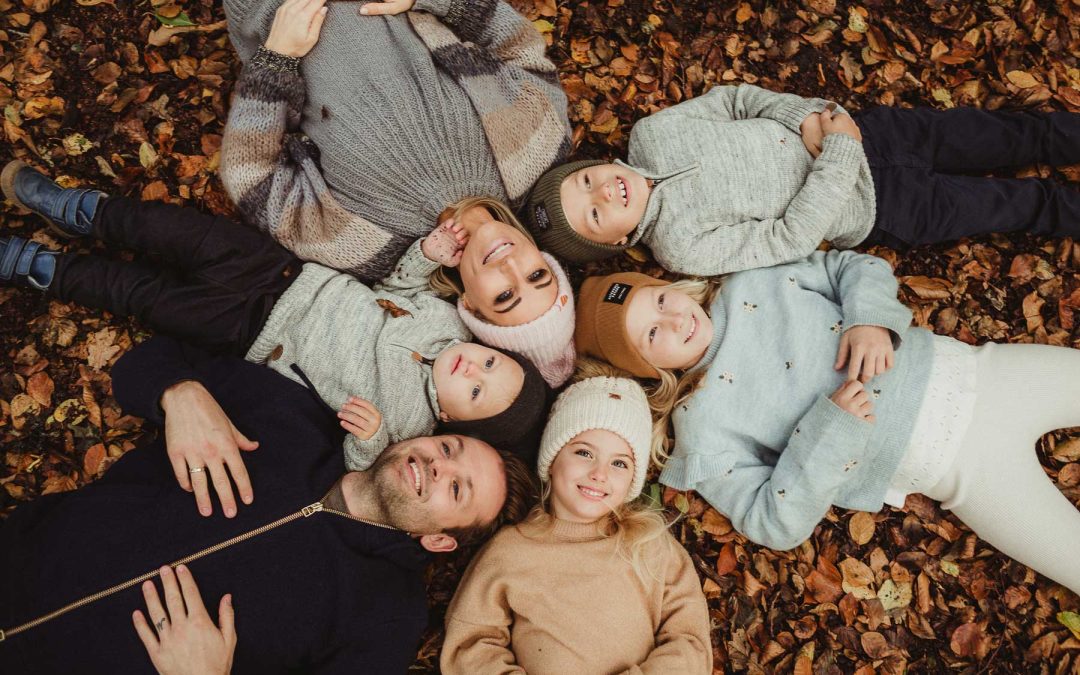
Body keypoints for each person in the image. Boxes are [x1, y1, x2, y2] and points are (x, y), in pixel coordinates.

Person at [0, 165, 552, 498]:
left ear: (454, 417)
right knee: (173, 231)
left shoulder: (405, 425)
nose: (471, 369)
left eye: (476, 390)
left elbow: (367, 469)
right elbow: (402, 286)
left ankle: (44, 268)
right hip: (279, 273)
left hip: (251, 333)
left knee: (143, 297)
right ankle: (83, 211)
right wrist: (425, 256)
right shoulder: (444, 320)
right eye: (488, 363)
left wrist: (365, 442)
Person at [0, 336, 537, 673]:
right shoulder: (291, 420)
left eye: (458, 489)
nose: (441, 464)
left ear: (440, 540)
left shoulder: (385, 619)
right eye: (450, 447)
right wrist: (180, 393)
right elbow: (146, 362)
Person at [574, 253, 1080, 596]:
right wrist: (828, 432)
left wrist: (867, 319)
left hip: (984, 373)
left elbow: (852, 265)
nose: (676, 319)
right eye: (652, 334)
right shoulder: (700, 428)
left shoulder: (751, 283)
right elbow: (772, 523)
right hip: (962, 470)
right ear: (646, 372)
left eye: (661, 301)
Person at [521, 83, 1080, 274]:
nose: (601, 192)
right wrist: (837, 157)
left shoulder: (650, 135)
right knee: (1017, 203)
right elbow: (786, 238)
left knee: (1010, 134)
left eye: (586, 181)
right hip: (884, 206)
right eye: (594, 213)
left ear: (598, 164)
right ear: (616, 240)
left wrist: (808, 120)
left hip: (878, 133)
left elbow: (737, 101)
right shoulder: (680, 246)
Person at [219, 0, 571, 284]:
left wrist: (276, 58)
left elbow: (251, 179)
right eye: (537, 275)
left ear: (471, 308)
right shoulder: (532, 158)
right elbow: (521, 51)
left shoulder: (374, 249)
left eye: (504, 297)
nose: (510, 268)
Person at [440, 376, 713, 673]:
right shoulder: (509, 550)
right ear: (553, 459)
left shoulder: (650, 545)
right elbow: (470, 644)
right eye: (584, 453)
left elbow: (690, 641)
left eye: (619, 463)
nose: (600, 473)